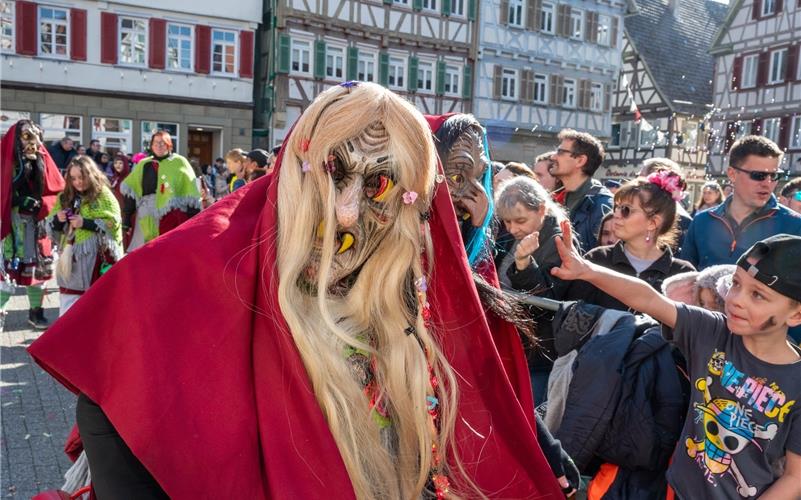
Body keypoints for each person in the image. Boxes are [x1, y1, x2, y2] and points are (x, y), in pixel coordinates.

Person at [28, 82, 562, 499]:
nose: (347, 211)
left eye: (379, 185)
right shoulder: (177, 284)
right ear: (296, 171)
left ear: (412, 204)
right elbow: (118, 394)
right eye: (334, 173)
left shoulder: (419, 307)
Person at [550, 229, 801, 500]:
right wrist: (587, 270)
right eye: (736, 284)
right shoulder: (712, 331)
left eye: (758, 295)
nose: (736, 300)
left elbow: (795, 476)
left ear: (796, 314)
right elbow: (648, 299)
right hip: (674, 491)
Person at [558, 171, 696, 311]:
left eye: (626, 210)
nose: (616, 215)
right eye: (616, 207)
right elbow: (571, 315)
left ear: (653, 223)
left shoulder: (681, 273)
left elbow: (685, 328)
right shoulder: (597, 258)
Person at [494, 176, 572, 404]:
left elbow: (549, 301)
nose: (513, 228)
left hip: (539, 354)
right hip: (514, 345)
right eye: (507, 222)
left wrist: (524, 265)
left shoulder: (559, 241)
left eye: (520, 220)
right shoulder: (509, 236)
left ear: (541, 209)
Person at [681, 136, 801, 270]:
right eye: (758, 175)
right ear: (732, 174)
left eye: (774, 176)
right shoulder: (701, 222)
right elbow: (685, 281)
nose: (767, 183)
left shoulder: (795, 226)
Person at [1, 120, 65, 330]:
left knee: (38, 270)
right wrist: (17, 201)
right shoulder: (5, 162)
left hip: (37, 226)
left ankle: (36, 312)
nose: (34, 143)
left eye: (38, 137)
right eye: (28, 137)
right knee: (6, 273)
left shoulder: (43, 161)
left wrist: (44, 206)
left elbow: (56, 190)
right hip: (10, 228)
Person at [48, 156, 122, 315]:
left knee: (97, 307)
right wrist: (57, 219)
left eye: (82, 177)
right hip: (70, 260)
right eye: (73, 178)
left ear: (91, 174)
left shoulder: (103, 194)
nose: (78, 182)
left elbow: (113, 222)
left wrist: (85, 223)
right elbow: (52, 228)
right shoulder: (64, 196)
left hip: (95, 261)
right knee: (69, 306)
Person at [121, 131, 201, 251]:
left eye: (162, 143)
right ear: (151, 146)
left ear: (169, 145)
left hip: (171, 215)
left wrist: (193, 219)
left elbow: (190, 190)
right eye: (156, 143)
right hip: (146, 214)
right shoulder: (144, 164)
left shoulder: (179, 162)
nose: (159, 145)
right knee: (142, 252)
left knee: (166, 251)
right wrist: (127, 218)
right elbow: (132, 192)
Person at [549, 129, 612, 252]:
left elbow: (601, 257)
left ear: (580, 161)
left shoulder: (602, 205)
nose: (553, 157)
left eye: (560, 152)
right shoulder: (554, 199)